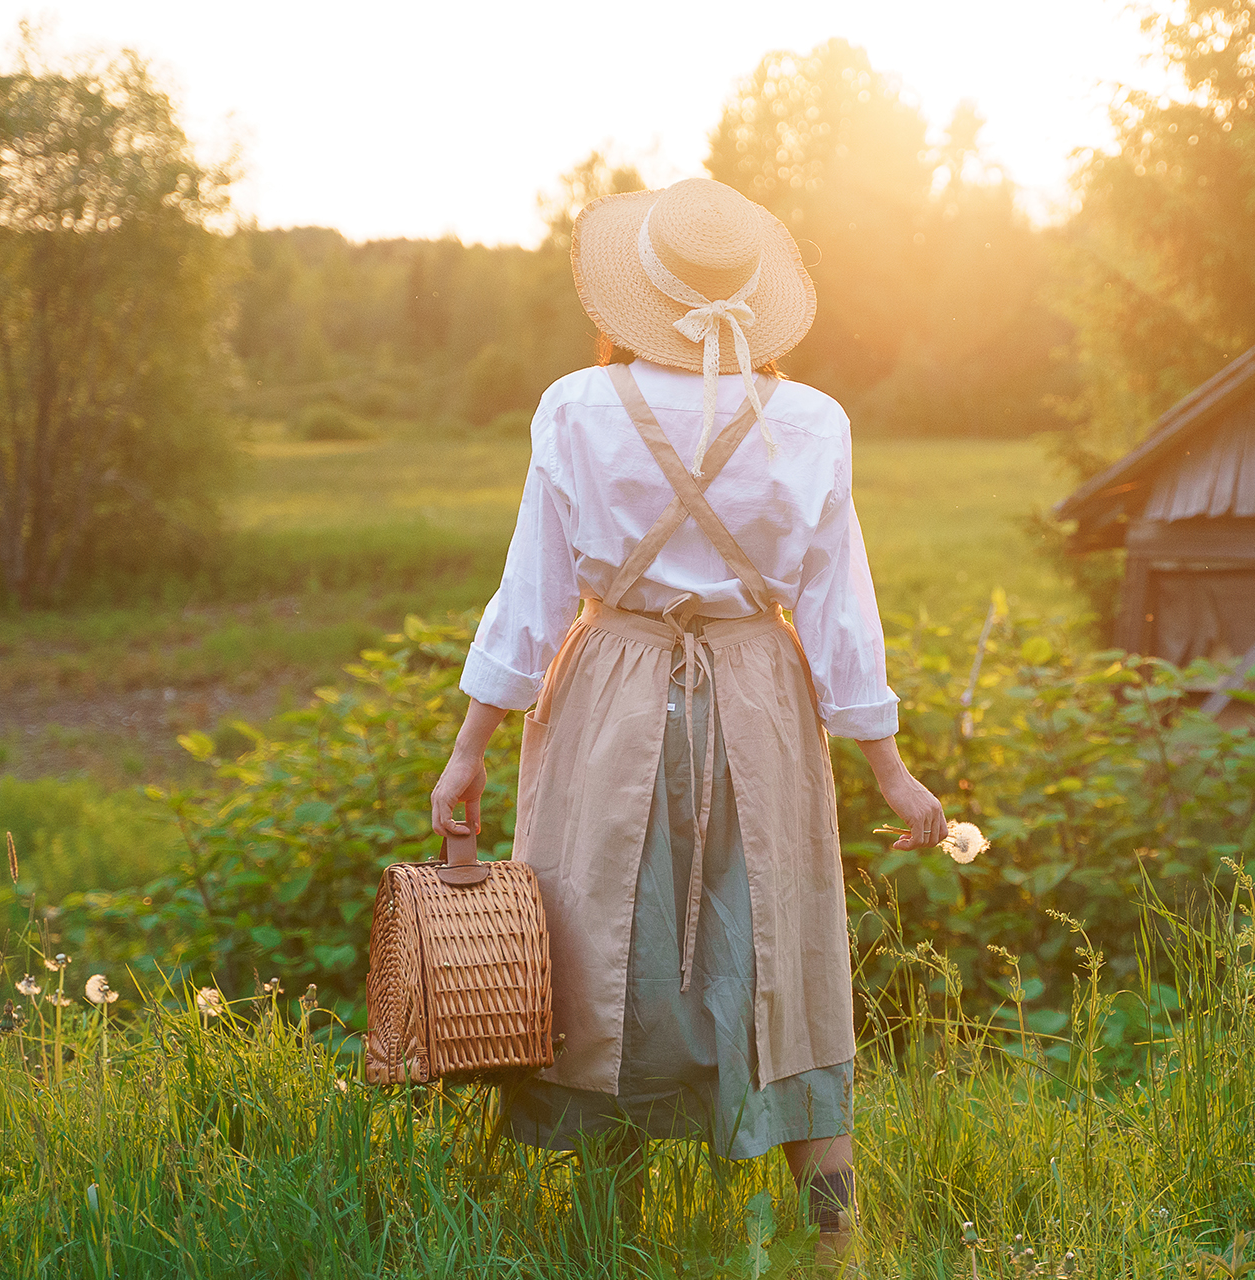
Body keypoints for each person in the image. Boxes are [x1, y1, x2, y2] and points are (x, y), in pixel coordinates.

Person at [428, 176, 946, 1271]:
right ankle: (835, 1239)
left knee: (599, 937)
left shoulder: (576, 403)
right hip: (760, 690)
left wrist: (471, 743)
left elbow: (532, 592)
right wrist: (890, 768)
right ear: (752, 299)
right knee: (782, 950)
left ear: (637, 296)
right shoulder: (811, 420)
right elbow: (840, 606)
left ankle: (605, 1235)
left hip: (611, 682)